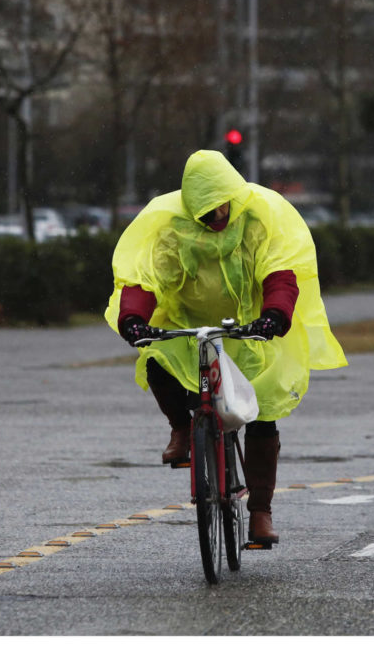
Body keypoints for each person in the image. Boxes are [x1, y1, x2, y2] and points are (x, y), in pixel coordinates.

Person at [105, 149, 347, 545]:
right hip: (187, 325)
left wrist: (274, 316)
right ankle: (182, 430)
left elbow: (280, 273)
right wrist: (133, 318)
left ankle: (261, 513)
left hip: (249, 329)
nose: (216, 219)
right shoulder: (172, 228)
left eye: (221, 210)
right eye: (206, 214)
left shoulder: (259, 222)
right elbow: (146, 279)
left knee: (262, 415)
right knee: (156, 358)